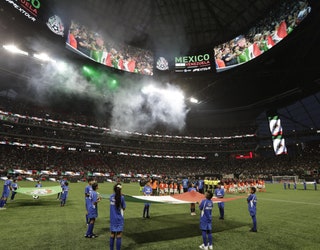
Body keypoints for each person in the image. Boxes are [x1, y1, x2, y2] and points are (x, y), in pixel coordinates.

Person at [109, 183, 126, 250]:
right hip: (119, 218)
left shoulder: (111, 196)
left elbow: (114, 196)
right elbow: (124, 207)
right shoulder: (122, 198)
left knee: (112, 234)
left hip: (112, 218)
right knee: (119, 234)